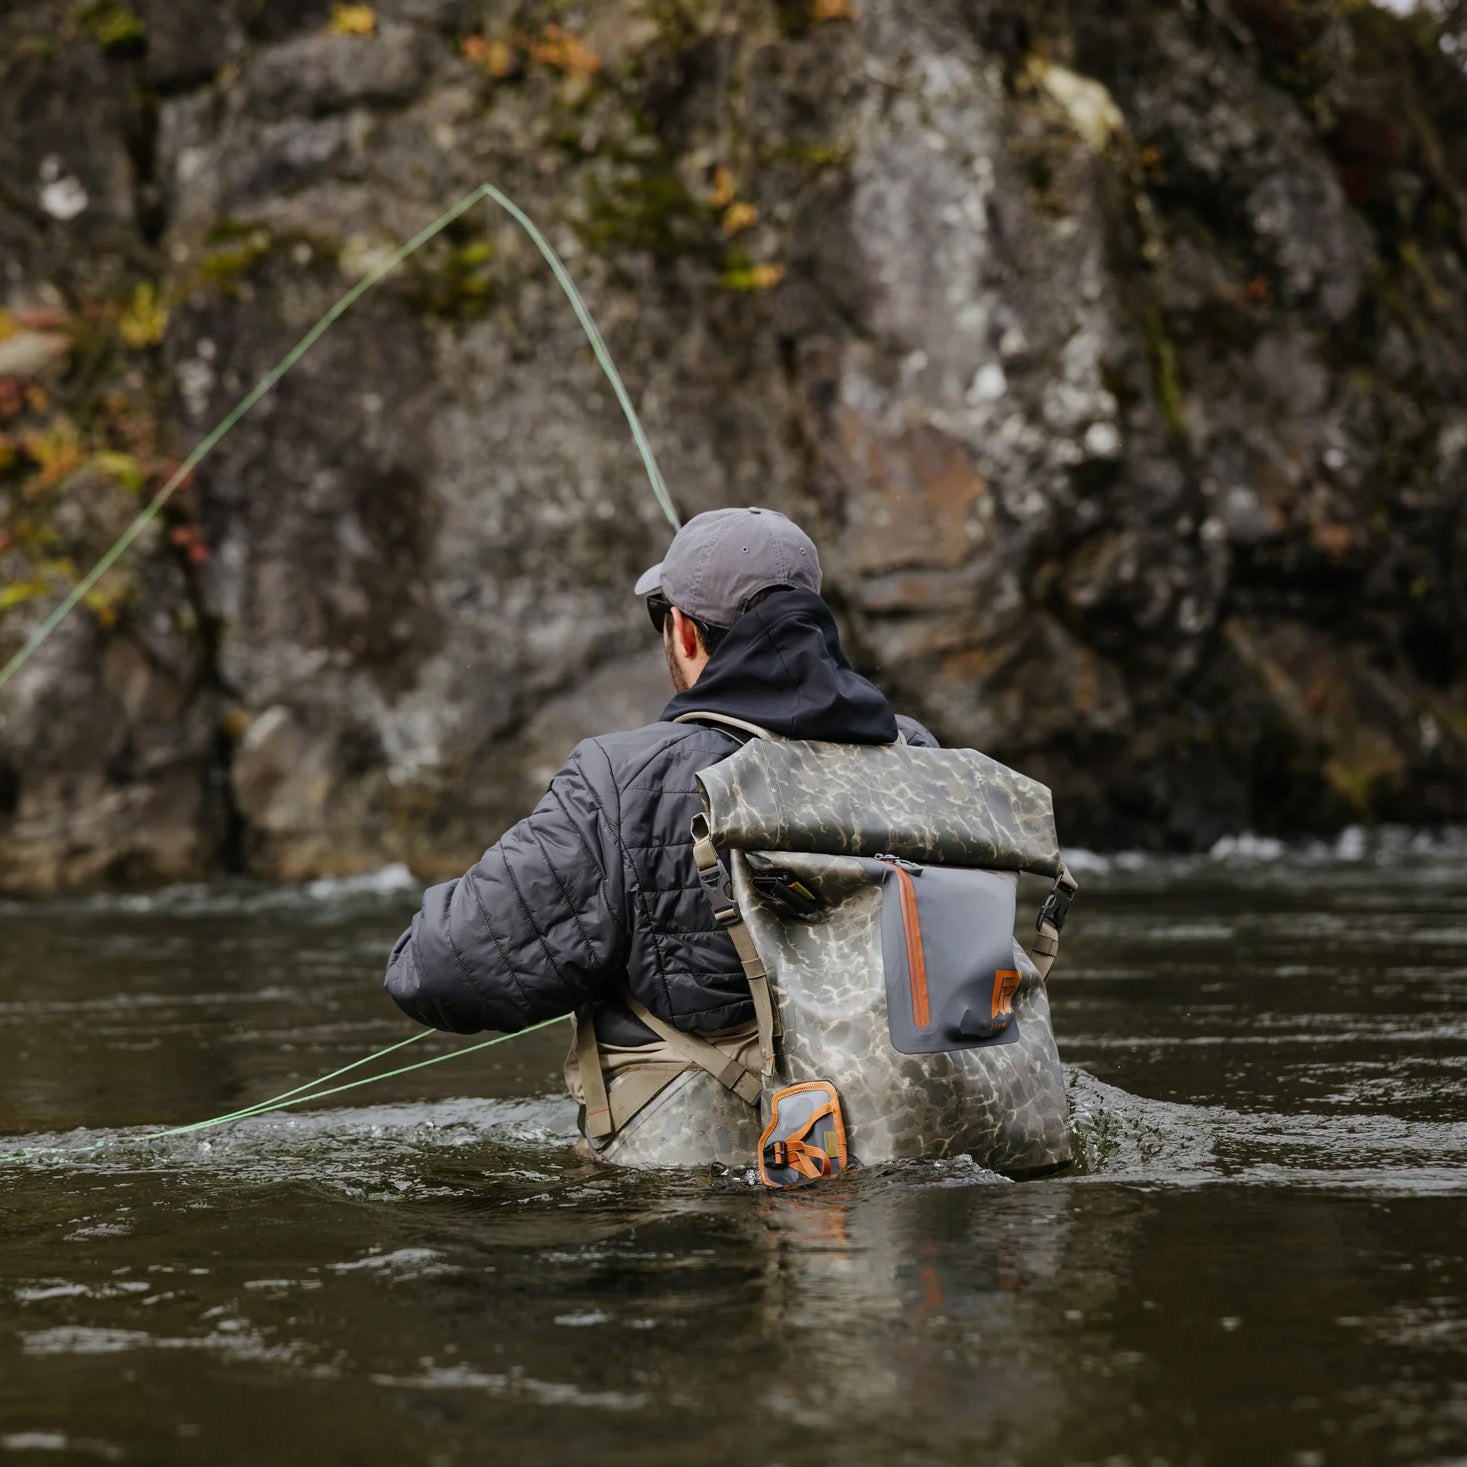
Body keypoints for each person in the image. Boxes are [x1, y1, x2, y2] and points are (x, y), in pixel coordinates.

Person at [384, 506, 935, 1147]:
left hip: (698, 1203)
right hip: (911, 1139)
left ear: (682, 631)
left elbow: (436, 969)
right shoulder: (920, 757)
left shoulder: (621, 780)